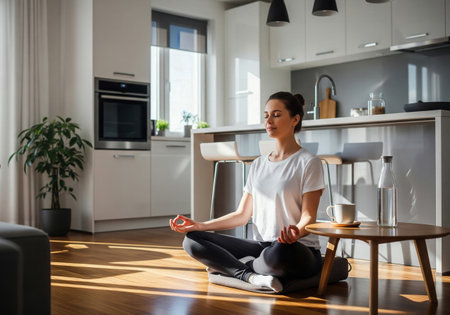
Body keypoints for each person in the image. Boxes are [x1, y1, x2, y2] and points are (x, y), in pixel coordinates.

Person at [170, 91, 325, 292]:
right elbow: (242, 215)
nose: (269, 120)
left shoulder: (308, 162)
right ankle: (250, 276)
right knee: (192, 240)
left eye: (276, 115)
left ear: (295, 119)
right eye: (266, 115)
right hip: (263, 247)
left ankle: (232, 267)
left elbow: (309, 217)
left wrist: (295, 232)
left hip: (296, 249)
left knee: (279, 254)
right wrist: (200, 225)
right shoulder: (259, 164)